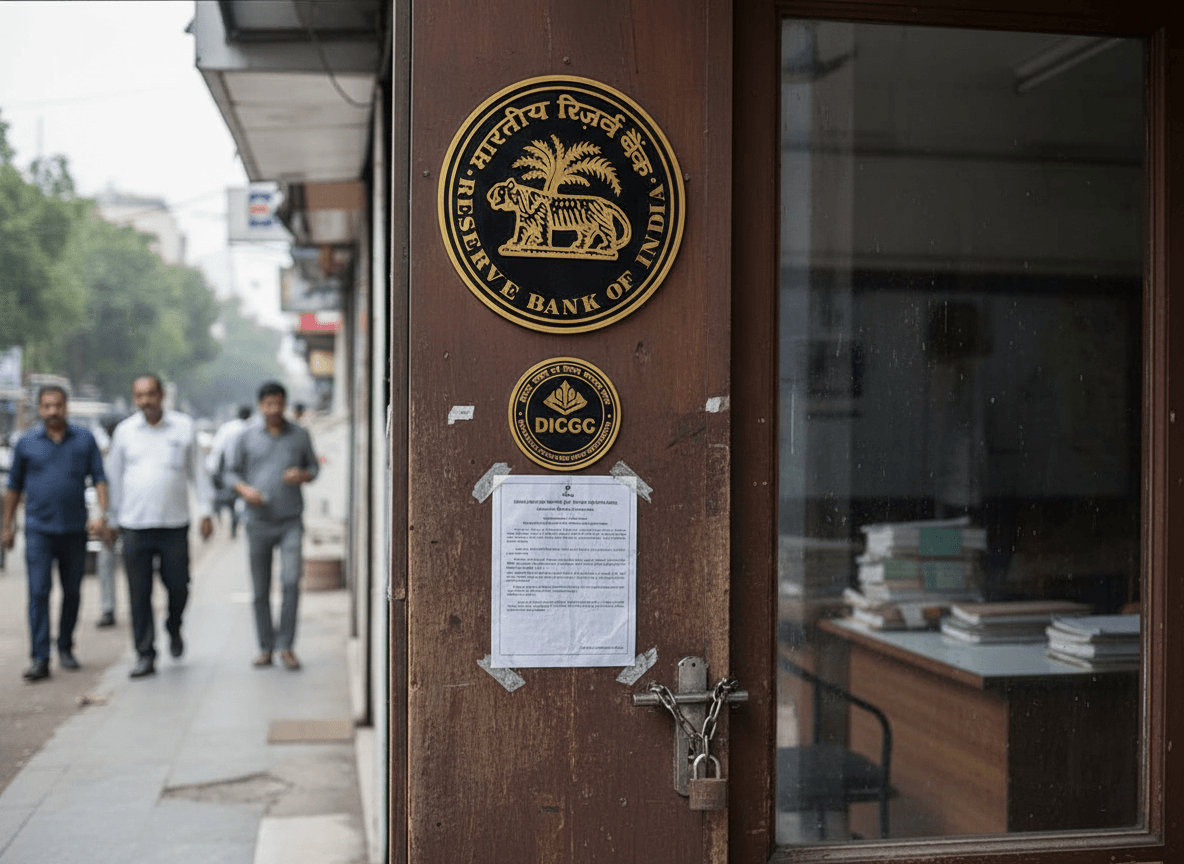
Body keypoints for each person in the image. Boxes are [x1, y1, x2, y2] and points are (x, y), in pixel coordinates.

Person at [106, 374, 214, 678]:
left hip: (174, 524)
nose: (146, 401)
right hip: (134, 525)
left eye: (151, 394)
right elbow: (114, 478)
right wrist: (111, 519)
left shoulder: (183, 427)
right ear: (134, 399)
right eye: (140, 396)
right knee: (138, 593)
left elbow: (198, 473)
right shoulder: (125, 432)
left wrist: (206, 512)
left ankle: (174, 625)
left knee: (178, 586)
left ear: (162, 395)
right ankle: (145, 654)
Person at [1, 386, 108, 681]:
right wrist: (7, 526)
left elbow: (99, 478)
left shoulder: (85, 440)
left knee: (72, 592)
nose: (52, 411)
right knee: (38, 593)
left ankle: (65, 647)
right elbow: (13, 488)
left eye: (57, 405)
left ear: (66, 406)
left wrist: (101, 514)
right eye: (47, 406)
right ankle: (40, 657)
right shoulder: (26, 443)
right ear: (39, 409)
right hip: (38, 531)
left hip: (74, 530)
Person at [227, 381, 318, 670]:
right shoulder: (246, 437)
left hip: (291, 520)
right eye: (268, 404)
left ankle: (286, 646)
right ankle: (265, 647)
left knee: (291, 582)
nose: (274, 409)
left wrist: (301, 475)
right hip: (257, 521)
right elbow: (229, 473)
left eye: (279, 403)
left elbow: (314, 469)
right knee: (260, 588)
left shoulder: (300, 435)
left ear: (285, 404)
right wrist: (244, 490)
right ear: (259, 405)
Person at [94, 415, 123, 627]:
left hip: (134, 518)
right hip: (110, 516)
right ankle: (108, 608)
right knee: (105, 563)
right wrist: (102, 517)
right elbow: (99, 487)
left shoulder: (134, 448)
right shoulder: (103, 455)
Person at [207, 406, 253, 538]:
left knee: (225, 500)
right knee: (236, 502)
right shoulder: (249, 429)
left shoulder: (227, 427)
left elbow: (217, 448)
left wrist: (214, 471)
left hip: (223, 470)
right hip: (239, 471)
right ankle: (233, 527)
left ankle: (224, 523)